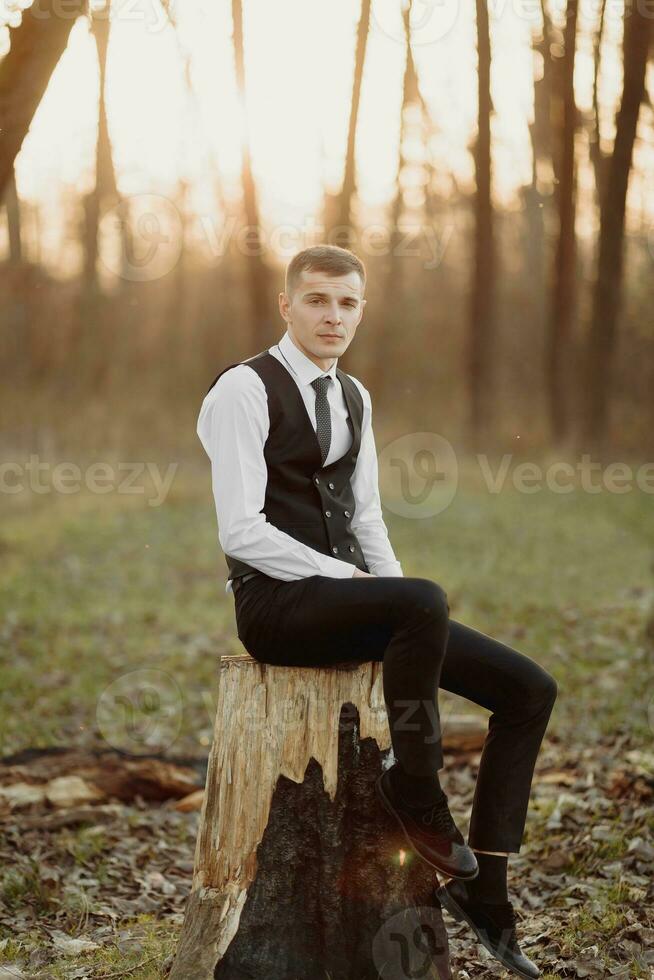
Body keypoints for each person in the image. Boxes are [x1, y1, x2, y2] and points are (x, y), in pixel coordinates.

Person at [196, 244, 557, 980]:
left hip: (347, 599)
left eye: (349, 303)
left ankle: (487, 886)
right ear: (287, 305)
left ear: (362, 309)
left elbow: (367, 522)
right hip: (274, 606)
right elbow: (240, 529)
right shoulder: (243, 390)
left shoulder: (355, 396)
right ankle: (415, 789)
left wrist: (399, 601)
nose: (334, 316)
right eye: (319, 301)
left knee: (529, 690)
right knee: (419, 598)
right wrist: (376, 591)